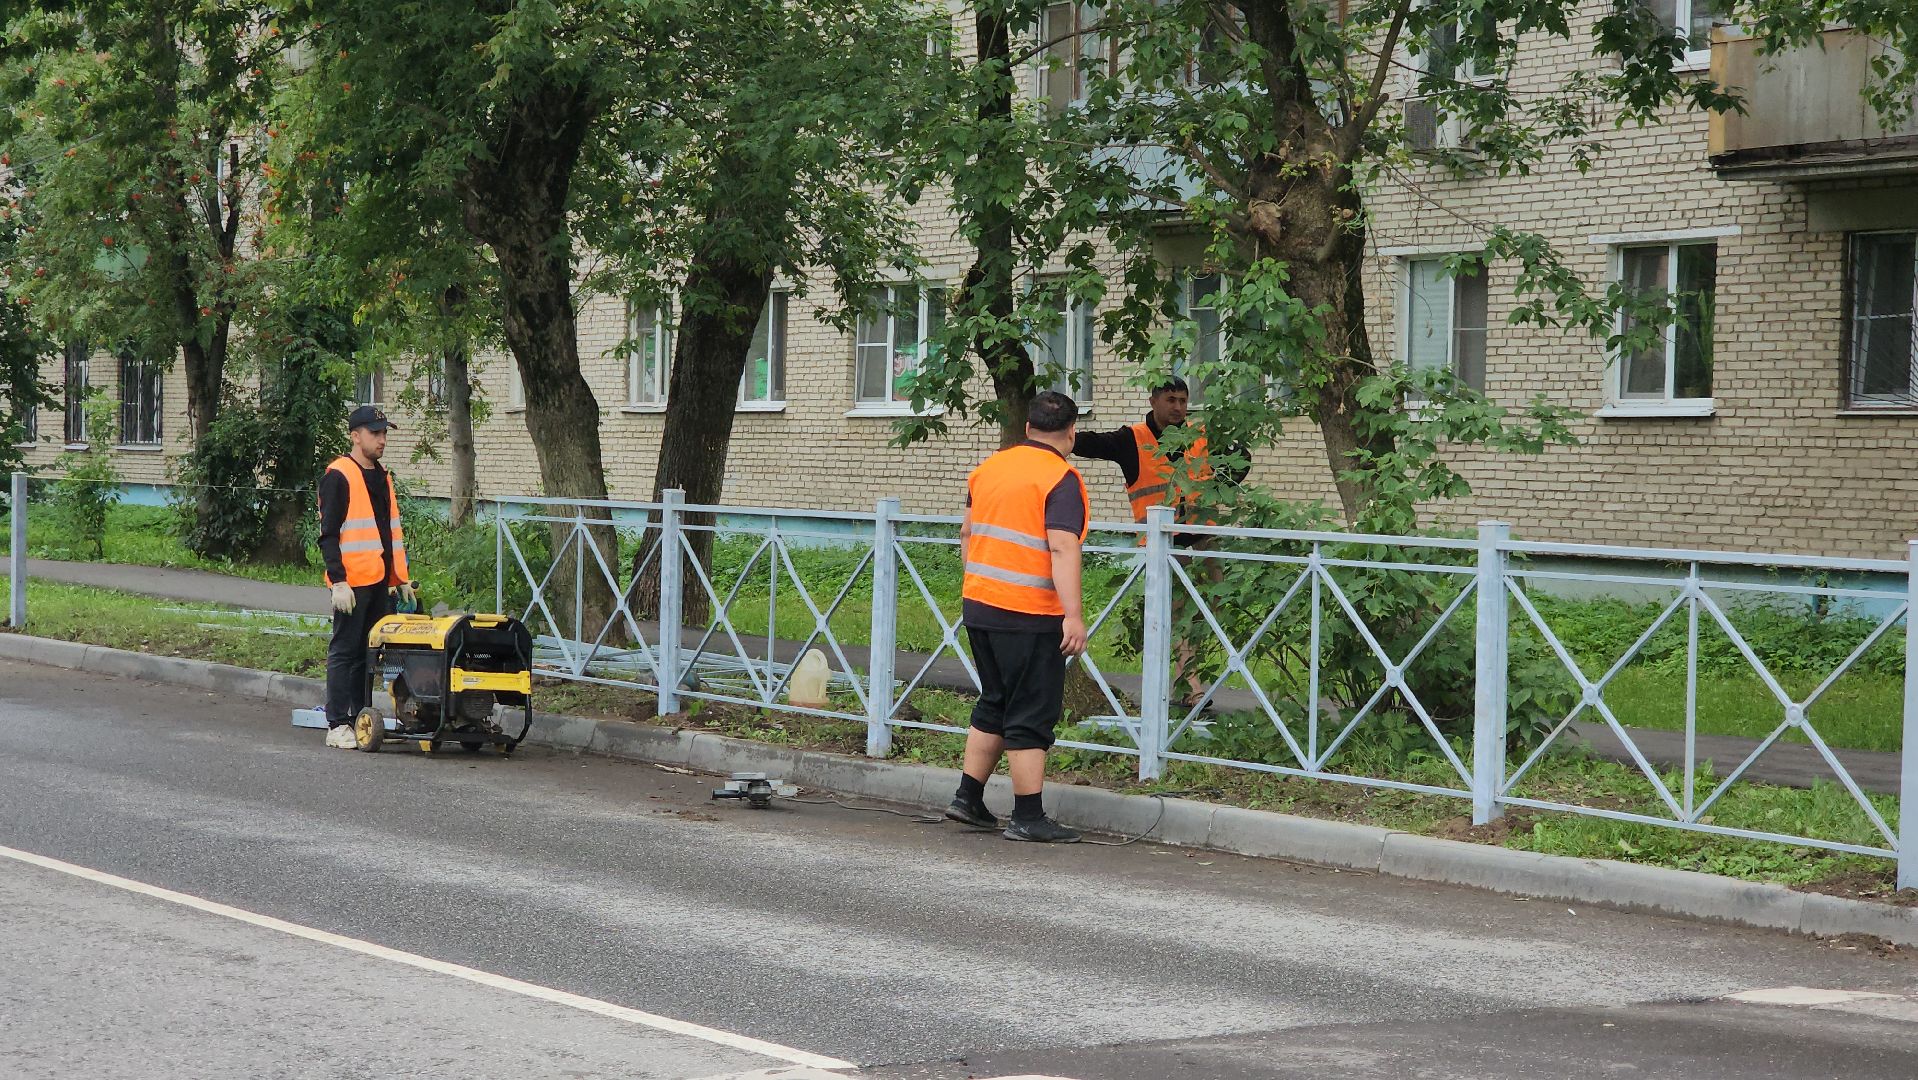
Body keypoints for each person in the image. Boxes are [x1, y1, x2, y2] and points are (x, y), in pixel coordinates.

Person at [946, 391, 1090, 843]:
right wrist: (1073, 616)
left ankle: (968, 798)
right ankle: (1028, 816)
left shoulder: (987, 469)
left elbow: (968, 534)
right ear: (1071, 433)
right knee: (1030, 708)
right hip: (1029, 612)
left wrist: (980, 585)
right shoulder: (1060, 478)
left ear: (1027, 429)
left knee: (996, 701)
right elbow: (1063, 547)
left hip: (980, 604)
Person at [1073, 377, 1245, 708]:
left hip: (1204, 536)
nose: (1179, 407)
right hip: (1165, 543)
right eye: (1171, 400)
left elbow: (1240, 458)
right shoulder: (1132, 439)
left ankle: (1196, 674)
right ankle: (1192, 687)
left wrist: (1223, 487)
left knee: (1220, 606)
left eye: (1183, 400)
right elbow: (1091, 442)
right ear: (1153, 401)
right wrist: (1058, 436)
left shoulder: (1200, 437)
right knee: (1177, 612)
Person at [318, 405, 414, 749]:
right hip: (352, 584)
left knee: (369, 654)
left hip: (379, 582)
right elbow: (328, 534)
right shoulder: (339, 475)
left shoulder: (381, 476)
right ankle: (337, 724)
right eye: (375, 433)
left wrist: (399, 578)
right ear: (355, 436)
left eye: (385, 433)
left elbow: (388, 533)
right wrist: (338, 581)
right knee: (345, 650)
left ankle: (361, 718)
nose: (382, 440)